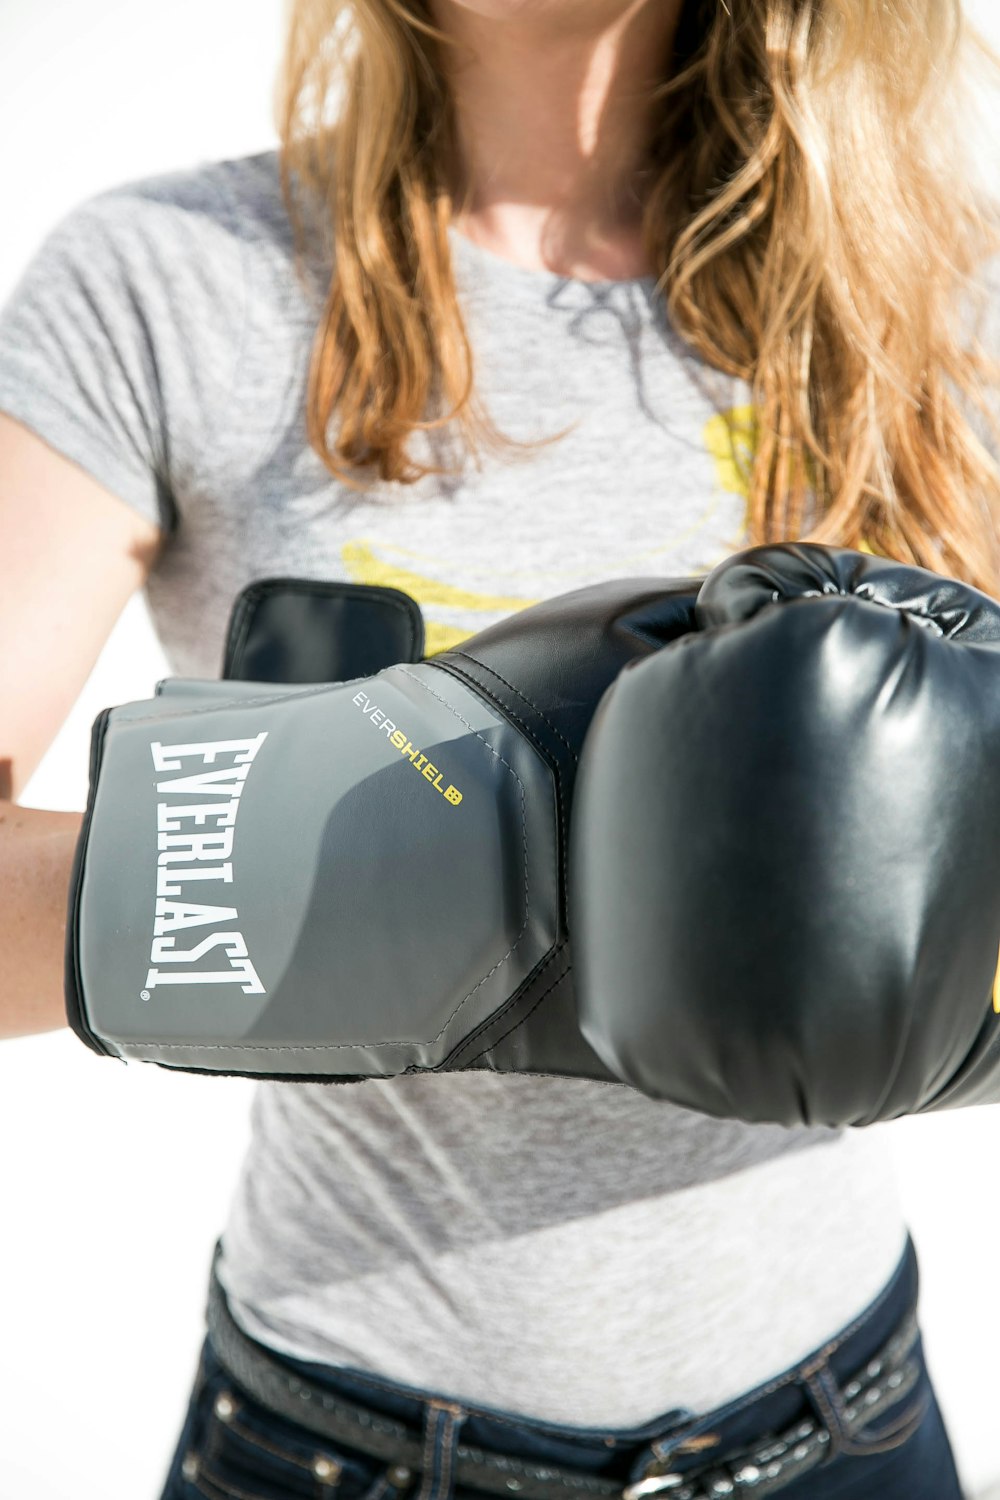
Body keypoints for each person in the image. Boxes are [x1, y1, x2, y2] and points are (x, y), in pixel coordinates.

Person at [1, 0, 998, 1495]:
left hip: (843, 1420)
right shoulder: (165, 281)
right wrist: (429, 873)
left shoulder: (933, 286)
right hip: (341, 1444)